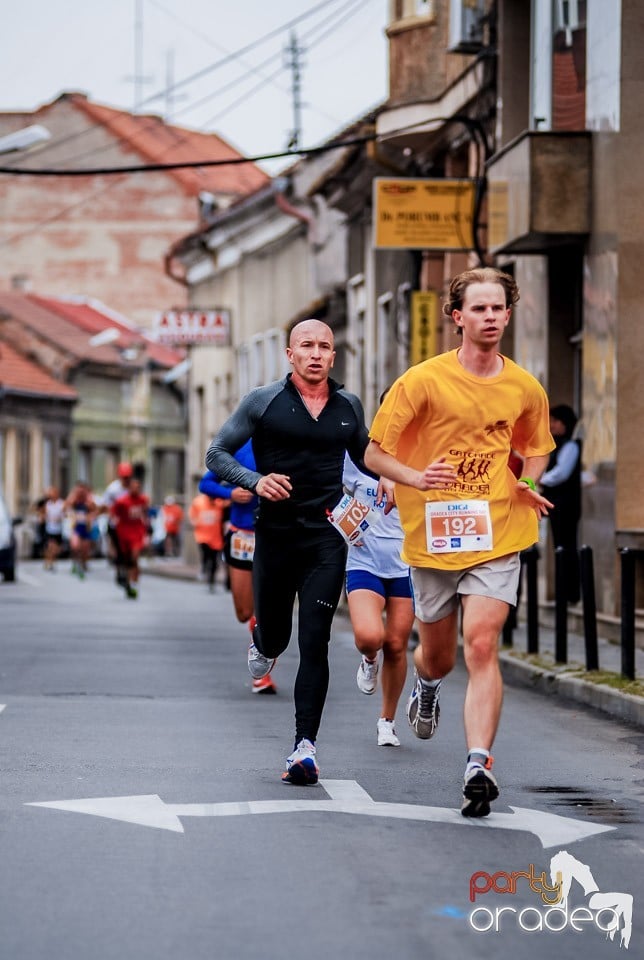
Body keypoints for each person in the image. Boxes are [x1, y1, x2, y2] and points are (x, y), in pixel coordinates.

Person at [364, 267, 555, 818]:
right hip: (434, 535)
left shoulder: (523, 386)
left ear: (508, 314)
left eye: (498, 308)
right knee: (440, 656)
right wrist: (416, 478)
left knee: (482, 643)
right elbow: (376, 453)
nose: (490, 317)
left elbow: (536, 446)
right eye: (479, 309)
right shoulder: (421, 381)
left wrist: (528, 482)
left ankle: (477, 761)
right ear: (457, 317)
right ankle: (427, 682)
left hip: (497, 530)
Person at [206, 318, 391, 785]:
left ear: (333, 356)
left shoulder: (347, 404)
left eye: (323, 346)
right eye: (305, 345)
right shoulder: (262, 402)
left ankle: (303, 748)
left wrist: (387, 475)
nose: (315, 353)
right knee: (278, 638)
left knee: (315, 639)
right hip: (276, 536)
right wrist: (255, 480)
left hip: (326, 536)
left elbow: (366, 454)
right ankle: (263, 641)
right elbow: (217, 454)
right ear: (290, 354)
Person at [343, 445, 413, 747]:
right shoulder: (357, 458)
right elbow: (327, 488)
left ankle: (387, 721)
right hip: (364, 560)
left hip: (406, 564)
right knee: (370, 637)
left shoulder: (422, 458)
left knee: (397, 645)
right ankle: (369, 658)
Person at [199, 439, 278, 694]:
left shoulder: (287, 441)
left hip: (274, 533)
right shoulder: (237, 447)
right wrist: (230, 494)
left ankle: (263, 670)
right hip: (242, 536)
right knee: (244, 612)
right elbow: (205, 483)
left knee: (267, 605)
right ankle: (258, 635)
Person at [540, 404, 582, 605]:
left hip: (566, 505)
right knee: (559, 547)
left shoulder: (571, 446)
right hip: (556, 505)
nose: (552, 425)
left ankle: (571, 593)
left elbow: (561, 474)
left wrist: (539, 478)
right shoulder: (556, 446)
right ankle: (563, 592)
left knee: (567, 546)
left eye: (555, 421)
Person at [110, 475, 150, 598]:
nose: (136, 489)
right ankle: (127, 581)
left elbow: (146, 514)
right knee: (128, 560)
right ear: (129, 488)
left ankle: (134, 582)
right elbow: (113, 514)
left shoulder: (143, 500)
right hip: (124, 533)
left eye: (138, 487)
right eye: (133, 487)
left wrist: (147, 532)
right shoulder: (122, 501)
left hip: (137, 532)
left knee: (135, 556)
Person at [100, 461, 133, 587]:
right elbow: (105, 505)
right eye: (124, 477)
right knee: (119, 551)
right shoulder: (113, 489)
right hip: (116, 525)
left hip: (130, 526)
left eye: (128, 476)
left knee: (129, 552)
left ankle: (128, 575)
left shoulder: (133, 488)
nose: (126, 479)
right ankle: (119, 570)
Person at [189, 489, 227, 591]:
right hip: (202, 536)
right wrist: (195, 521)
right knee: (206, 555)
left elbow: (228, 505)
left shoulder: (219, 502)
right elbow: (192, 515)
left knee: (214, 561)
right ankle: (204, 568)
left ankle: (211, 581)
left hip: (216, 538)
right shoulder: (198, 502)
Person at [64, 481, 98, 579]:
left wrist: (90, 517)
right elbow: (65, 508)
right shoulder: (73, 500)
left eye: (82, 491)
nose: (80, 493)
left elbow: (96, 510)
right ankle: (76, 562)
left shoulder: (88, 502)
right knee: (75, 546)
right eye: (78, 491)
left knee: (85, 548)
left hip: (86, 528)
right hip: (76, 528)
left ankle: (84, 563)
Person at [42, 486, 66, 571]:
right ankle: (49, 562)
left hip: (58, 529)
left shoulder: (61, 503)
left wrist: (59, 518)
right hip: (50, 529)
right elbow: (44, 515)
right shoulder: (48, 504)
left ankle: (51, 561)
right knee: (50, 547)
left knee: (56, 549)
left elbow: (65, 514)